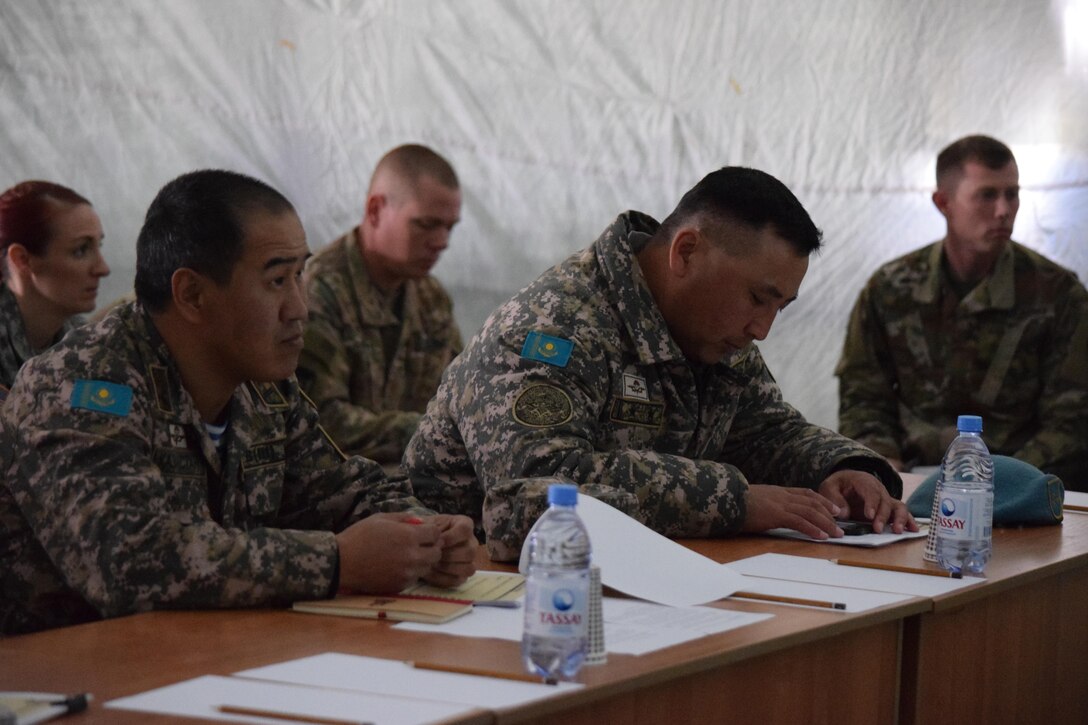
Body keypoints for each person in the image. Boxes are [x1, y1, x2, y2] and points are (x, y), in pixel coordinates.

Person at [0, 169, 476, 636]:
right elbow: (131, 563)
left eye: (300, 275)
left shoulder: (263, 386)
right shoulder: (82, 384)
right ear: (191, 294)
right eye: (276, 281)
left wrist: (429, 532)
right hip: (62, 678)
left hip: (197, 655)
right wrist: (337, 561)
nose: (299, 308)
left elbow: (341, 489)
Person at [404, 166, 916, 561]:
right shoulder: (550, 328)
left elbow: (765, 430)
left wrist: (843, 467)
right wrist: (733, 501)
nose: (762, 329)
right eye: (758, 299)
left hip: (635, 582)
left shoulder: (710, 333)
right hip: (465, 589)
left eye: (779, 307)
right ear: (686, 252)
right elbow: (532, 499)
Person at [836, 135, 1088, 491]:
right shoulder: (891, 288)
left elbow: (1073, 418)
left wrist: (994, 483)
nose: (1003, 210)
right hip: (911, 480)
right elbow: (863, 398)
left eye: (1012, 194)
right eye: (987, 195)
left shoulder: (1057, 294)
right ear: (944, 202)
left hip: (1018, 484)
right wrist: (884, 469)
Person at [297, 144, 463, 466]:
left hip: (413, 474)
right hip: (340, 485)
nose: (442, 242)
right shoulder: (319, 291)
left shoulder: (431, 298)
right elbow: (319, 420)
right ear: (375, 210)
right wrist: (432, 430)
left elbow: (459, 392)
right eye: (427, 224)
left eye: (449, 227)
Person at [0, 181, 110, 399]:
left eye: (99, 246)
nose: (103, 268)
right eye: (80, 250)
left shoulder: (84, 342)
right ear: (23, 260)